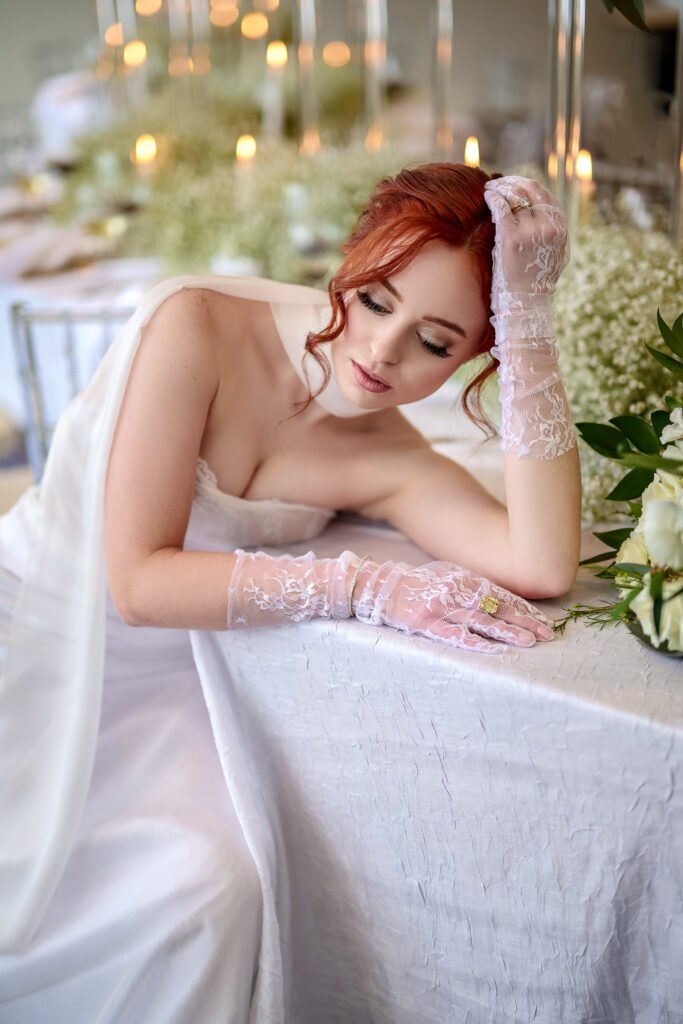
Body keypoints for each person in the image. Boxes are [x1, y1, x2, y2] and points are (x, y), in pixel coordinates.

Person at [0, 163, 580, 1021]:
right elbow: (139, 582)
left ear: (473, 358)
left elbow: (542, 563)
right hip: (33, 633)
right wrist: (360, 585)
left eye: (434, 343)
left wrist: (529, 328)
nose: (380, 352)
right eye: (375, 301)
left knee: (206, 892)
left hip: (172, 692)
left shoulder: (389, 460)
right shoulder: (195, 323)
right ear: (349, 257)